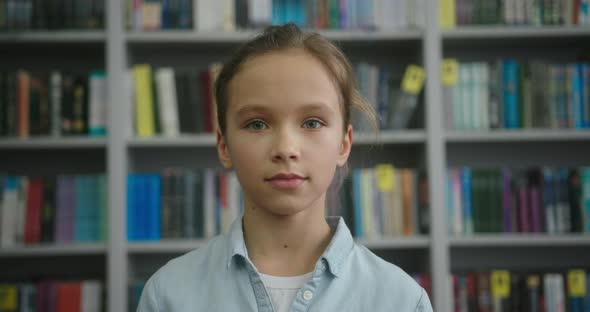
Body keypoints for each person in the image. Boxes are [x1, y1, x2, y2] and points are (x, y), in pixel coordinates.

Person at [137, 23, 433, 312]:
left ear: (344, 144)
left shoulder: (401, 300)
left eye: (312, 123)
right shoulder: (168, 295)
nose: (285, 149)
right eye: (257, 124)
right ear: (224, 145)